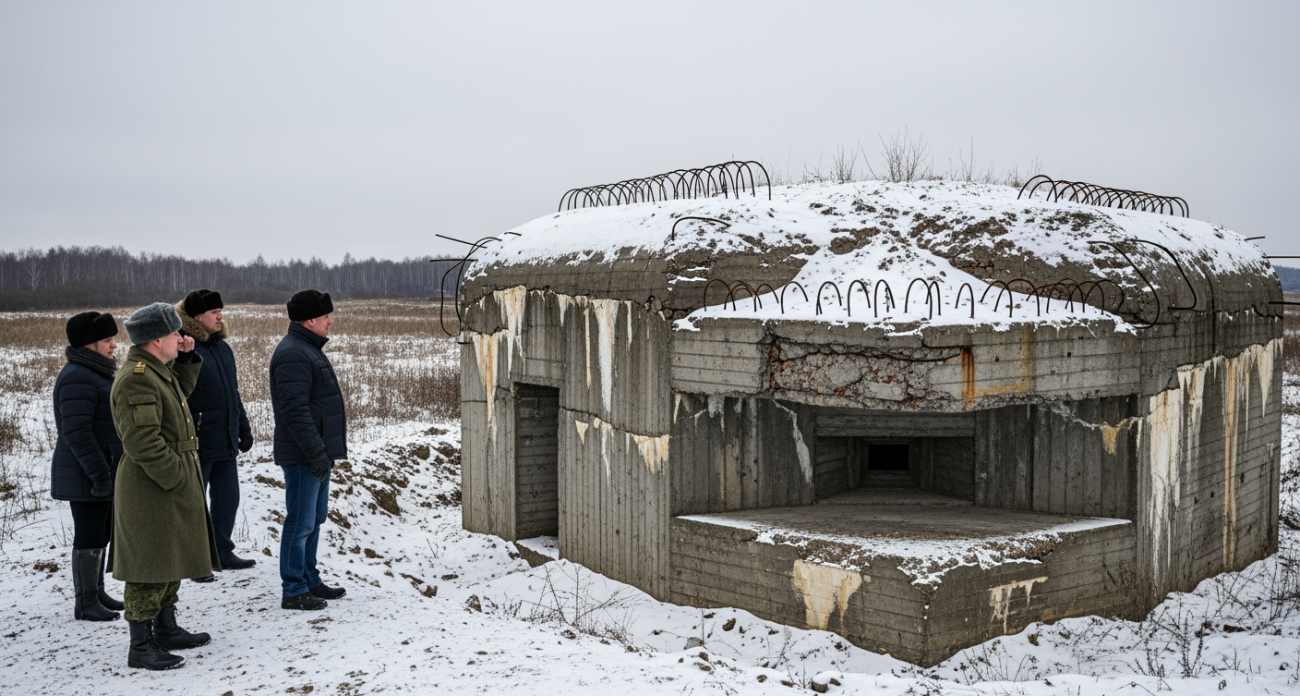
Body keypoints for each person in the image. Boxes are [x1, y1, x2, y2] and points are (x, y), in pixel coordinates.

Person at [109, 302, 219, 670]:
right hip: (152, 484)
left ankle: (166, 628)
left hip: (165, 480)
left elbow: (176, 399)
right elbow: (143, 442)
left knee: (170, 557)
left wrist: (185, 361)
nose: (181, 337)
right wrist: (177, 477)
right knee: (149, 565)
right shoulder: (137, 377)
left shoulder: (156, 370)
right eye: (175, 333)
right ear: (156, 340)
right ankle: (141, 646)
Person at [270, 289, 347, 610]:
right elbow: (295, 410)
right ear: (310, 320)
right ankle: (294, 589)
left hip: (315, 452)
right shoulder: (294, 353)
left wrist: (322, 452)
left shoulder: (306, 348)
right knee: (300, 524)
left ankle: (309, 579)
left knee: (313, 520)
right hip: (303, 454)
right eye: (326, 316)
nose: (330, 321)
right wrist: (315, 452)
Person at [176, 289, 255, 581]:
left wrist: (243, 427)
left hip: (225, 437)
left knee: (228, 499)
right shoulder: (185, 348)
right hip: (198, 438)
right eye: (214, 312)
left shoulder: (223, 349)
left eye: (221, 311)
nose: (221, 316)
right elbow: (178, 395)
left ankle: (222, 551)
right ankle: (195, 560)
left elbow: (232, 393)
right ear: (198, 317)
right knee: (194, 504)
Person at [50, 311, 124, 622]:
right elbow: (77, 432)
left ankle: (97, 591)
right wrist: (99, 474)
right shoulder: (77, 376)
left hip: (100, 469)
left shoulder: (96, 372)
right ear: (89, 344)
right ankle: (86, 603)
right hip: (86, 472)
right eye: (107, 340)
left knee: (100, 533)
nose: (114, 345)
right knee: (89, 535)